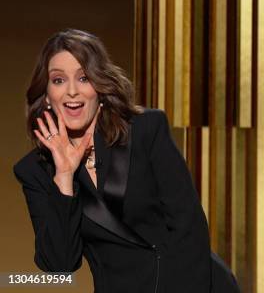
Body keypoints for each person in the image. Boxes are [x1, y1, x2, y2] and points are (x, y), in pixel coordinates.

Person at [14, 29, 239, 293]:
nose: (72, 91)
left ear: (99, 86)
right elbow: (60, 265)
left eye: (84, 77)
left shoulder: (146, 130)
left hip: (194, 282)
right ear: (47, 95)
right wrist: (64, 177)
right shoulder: (35, 170)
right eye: (59, 80)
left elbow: (188, 225)